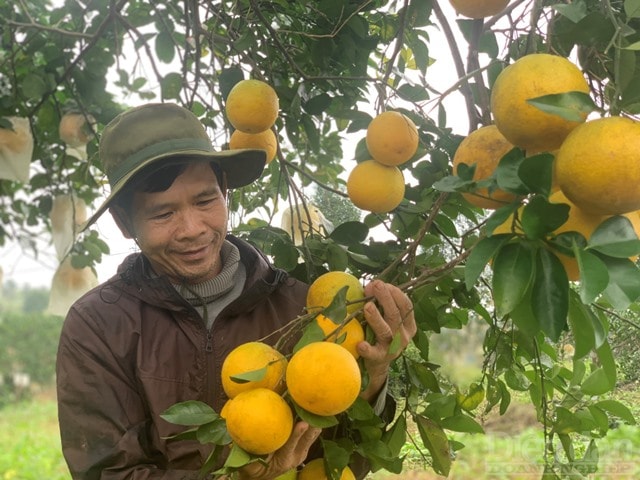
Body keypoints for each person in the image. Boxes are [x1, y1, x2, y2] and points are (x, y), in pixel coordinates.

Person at [56, 103, 417, 480]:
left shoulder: (301, 307)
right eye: (163, 214)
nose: (192, 228)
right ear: (125, 222)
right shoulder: (98, 325)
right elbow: (106, 472)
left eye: (205, 200)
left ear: (224, 191)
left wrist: (372, 379)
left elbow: (348, 456)